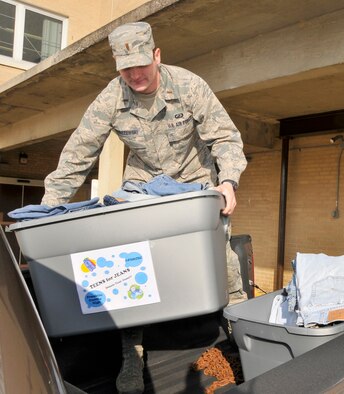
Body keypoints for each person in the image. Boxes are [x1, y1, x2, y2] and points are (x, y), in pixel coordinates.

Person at [41, 21, 247, 394]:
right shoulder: (111, 98)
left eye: (141, 64)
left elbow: (226, 138)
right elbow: (77, 154)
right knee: (127, 265)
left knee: (223, 259)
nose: (135, 75)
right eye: (125, 68)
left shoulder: (189, 86)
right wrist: (47, 210)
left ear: (157, 55)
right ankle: (131, 354)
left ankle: (242, 339)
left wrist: (228, 180)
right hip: (142, 183)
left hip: (196, 179)